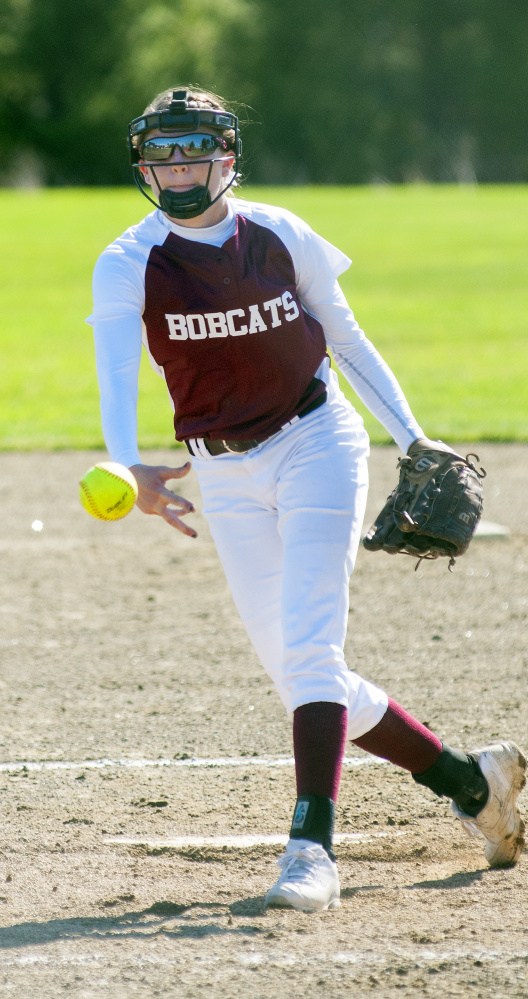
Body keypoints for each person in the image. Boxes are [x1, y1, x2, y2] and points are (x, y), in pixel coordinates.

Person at [87, 86, 526, 912]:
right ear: (144, 164)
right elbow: (114, 365)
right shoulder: (129, 259)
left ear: (228, 156)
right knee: (298, 673)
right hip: (221, 469)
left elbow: (347, 339)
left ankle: (311, 848)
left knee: (313, 651)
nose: (178, 167)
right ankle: (475, 783)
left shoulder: (282, 235)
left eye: (194, 150)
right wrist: (125, 461)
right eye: (163, 153)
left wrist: (413, 435)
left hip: (316, 441)